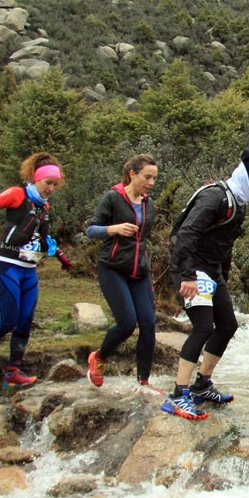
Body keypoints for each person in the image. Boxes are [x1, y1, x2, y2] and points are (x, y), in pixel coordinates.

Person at [162, 148, 249, 420]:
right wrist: (187, 275)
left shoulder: (239, 203)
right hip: (190, 267)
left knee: (228, 325)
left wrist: (222, 273)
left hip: (211, 271)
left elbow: (225, 244)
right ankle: (178, 395)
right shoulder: (215, 197)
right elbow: (186, 234)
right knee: (202, 327)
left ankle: (202, 385)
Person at [0, 153, 73, 389]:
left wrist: (58, 254)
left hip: (29, 271)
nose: (51, 188)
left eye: (55, 184)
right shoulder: (16, 194)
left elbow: (40, 236)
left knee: (24, 321)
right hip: (8, 267)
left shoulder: (43, 206)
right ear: (35, 178)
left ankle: (13, 372)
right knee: (8, 320)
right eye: (47, 183)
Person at [85, 154, 159, 392]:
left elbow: (143, 240)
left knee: (148, 323)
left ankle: (144, 381)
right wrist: (113, 229)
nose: (151, 183)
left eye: (154, 178)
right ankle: (99, 357)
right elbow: (91, 230)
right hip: (113, 268)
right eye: (147, 177)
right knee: (127, 323)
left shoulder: (149, 204)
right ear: (132, 174)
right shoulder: (113, 198)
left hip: (139, 271)